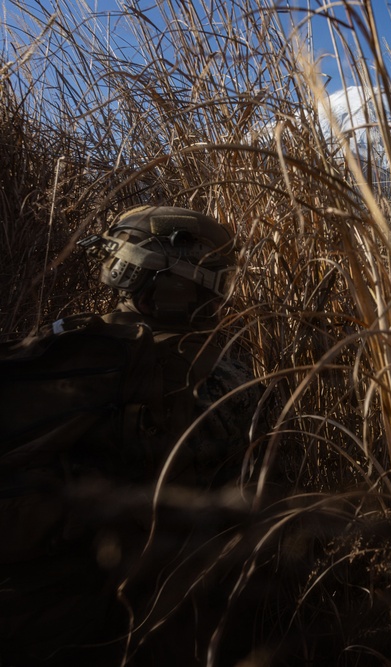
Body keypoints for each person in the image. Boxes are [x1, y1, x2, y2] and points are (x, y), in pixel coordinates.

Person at [0, 205, 260, 664]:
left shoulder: (73, 348)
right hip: (168, 622)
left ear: (129, 271)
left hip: (45, 615)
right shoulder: (234, 381)